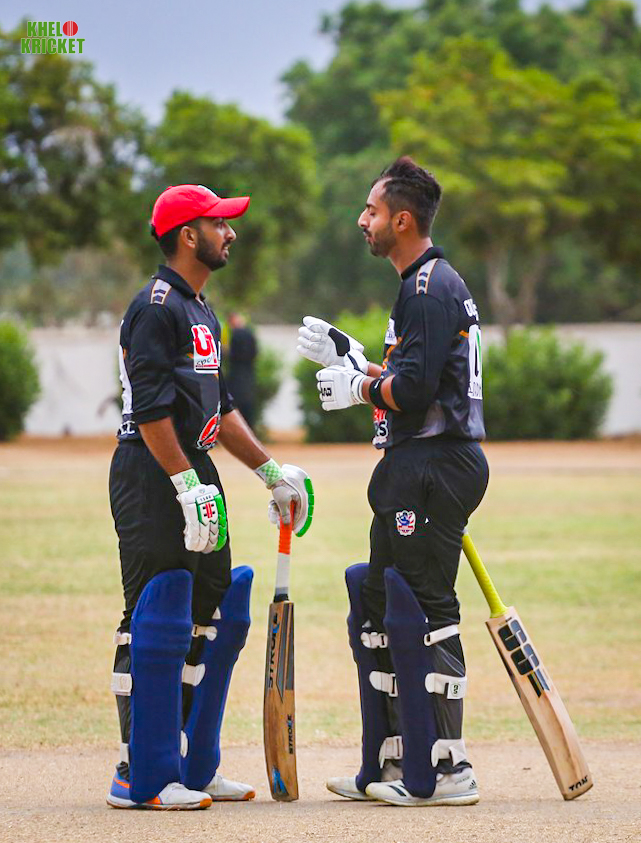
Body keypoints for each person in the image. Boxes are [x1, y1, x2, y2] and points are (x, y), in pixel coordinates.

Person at [107, 184, 313, 810]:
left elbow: (219, 410)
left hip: (194, 467)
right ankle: (137, 770)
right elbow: (150, 410)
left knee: (209, 609)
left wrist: (271, 473)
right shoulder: (155, 307)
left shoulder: (201, 309)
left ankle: (191, 764)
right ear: (188, 235)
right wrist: (182, 483)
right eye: (220, 223)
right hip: (152, 472)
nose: (231, 233)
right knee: (152, 612)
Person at [297, 157, 488, 807]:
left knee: (426, 608)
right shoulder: (422, 284)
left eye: (372, 211)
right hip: (414, 465)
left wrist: (358, 387)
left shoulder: (427, 288)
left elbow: (412, 392)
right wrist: (352, 356)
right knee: (380, 605)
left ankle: (447, 768)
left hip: (435, 463)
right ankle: (391, 761)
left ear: (401, 220)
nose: (363, 220)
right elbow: (408, 374)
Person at [226, 312, 258, 428]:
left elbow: (232, 354)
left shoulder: (236, 334)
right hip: (248, 376)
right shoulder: (250, 333)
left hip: (237, 377)